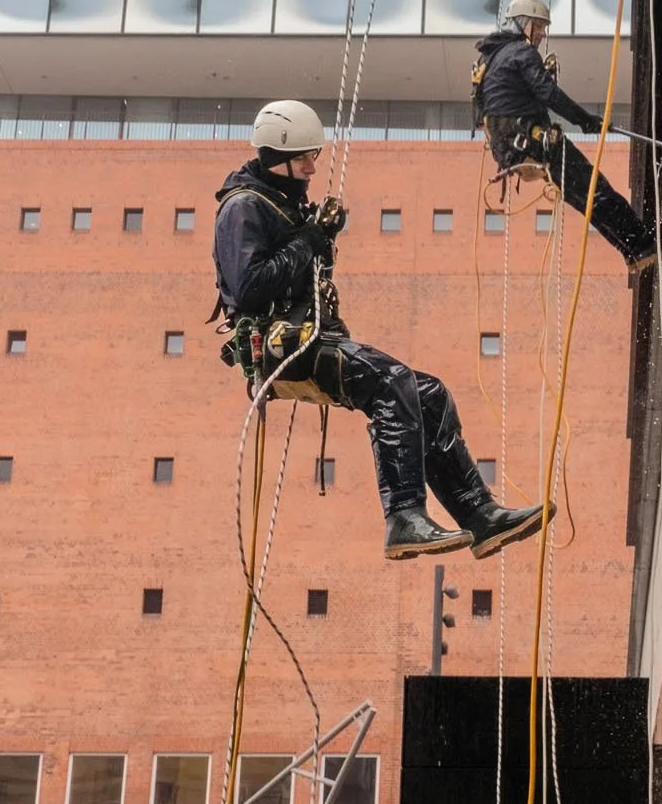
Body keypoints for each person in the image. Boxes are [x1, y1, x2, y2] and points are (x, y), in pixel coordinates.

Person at [213, 99, 549, 561]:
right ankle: (404, 516)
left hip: (310, 339)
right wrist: (310, 239)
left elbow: (300, 270)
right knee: (390, 383)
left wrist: (319, 236)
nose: (314, 166)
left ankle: (478, 514)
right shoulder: (243, 208)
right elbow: (249, 287)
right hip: (281, 348)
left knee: (429, 393)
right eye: (306, 157)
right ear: (281, 157)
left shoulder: (283, 204)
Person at [473, 0, 662, 269]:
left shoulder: (488, 62)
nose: (541, 33)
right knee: (596, 188)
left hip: (514, 150)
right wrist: (585, 120)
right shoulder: (522, 53)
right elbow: (548, 94)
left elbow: (488, 114)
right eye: (538, 26)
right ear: (523, 23)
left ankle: (633, 250)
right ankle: (642, 244)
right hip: (536, 142)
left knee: (584, 198)